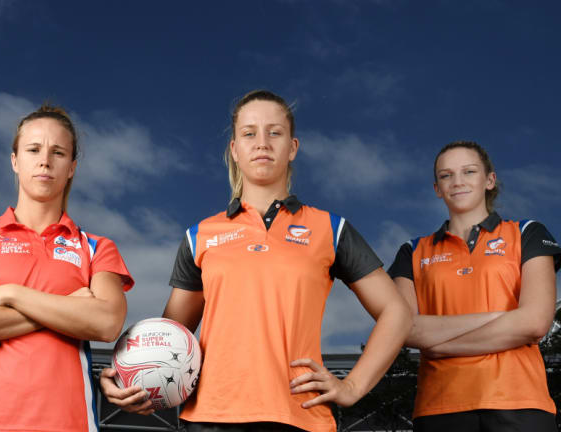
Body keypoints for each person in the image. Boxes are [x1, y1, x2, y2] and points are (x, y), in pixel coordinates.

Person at [100, 89, 412, 432]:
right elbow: (170, 335)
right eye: (249, 133)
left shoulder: (330, 229)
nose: (262, 142)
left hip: (299, 415)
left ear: (293, 148)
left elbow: (396, 312)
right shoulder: (200, 235)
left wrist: (353, 386)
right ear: (234, 149)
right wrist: (128, 377)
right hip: (210, 417)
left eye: (274, 132)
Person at [0, 103, 134, 432]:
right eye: (33, 149)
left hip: (68, 423)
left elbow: (106, 323)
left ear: (71, 167)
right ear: (15, 160)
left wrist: (7, 293)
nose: (45, 160)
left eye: (58, 152)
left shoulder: (97, 248)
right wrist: (68, 310)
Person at [387, 141, 560, 431]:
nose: (457, 182)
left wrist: (439, 344)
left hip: (521, 403)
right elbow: (405, 329)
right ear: (437, 188)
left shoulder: (527, 233)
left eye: (468, 171)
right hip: (439, 406)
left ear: (489, 180)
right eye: (446, 175)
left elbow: (534, 322)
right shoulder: (412, 251)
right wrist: (500, 318)